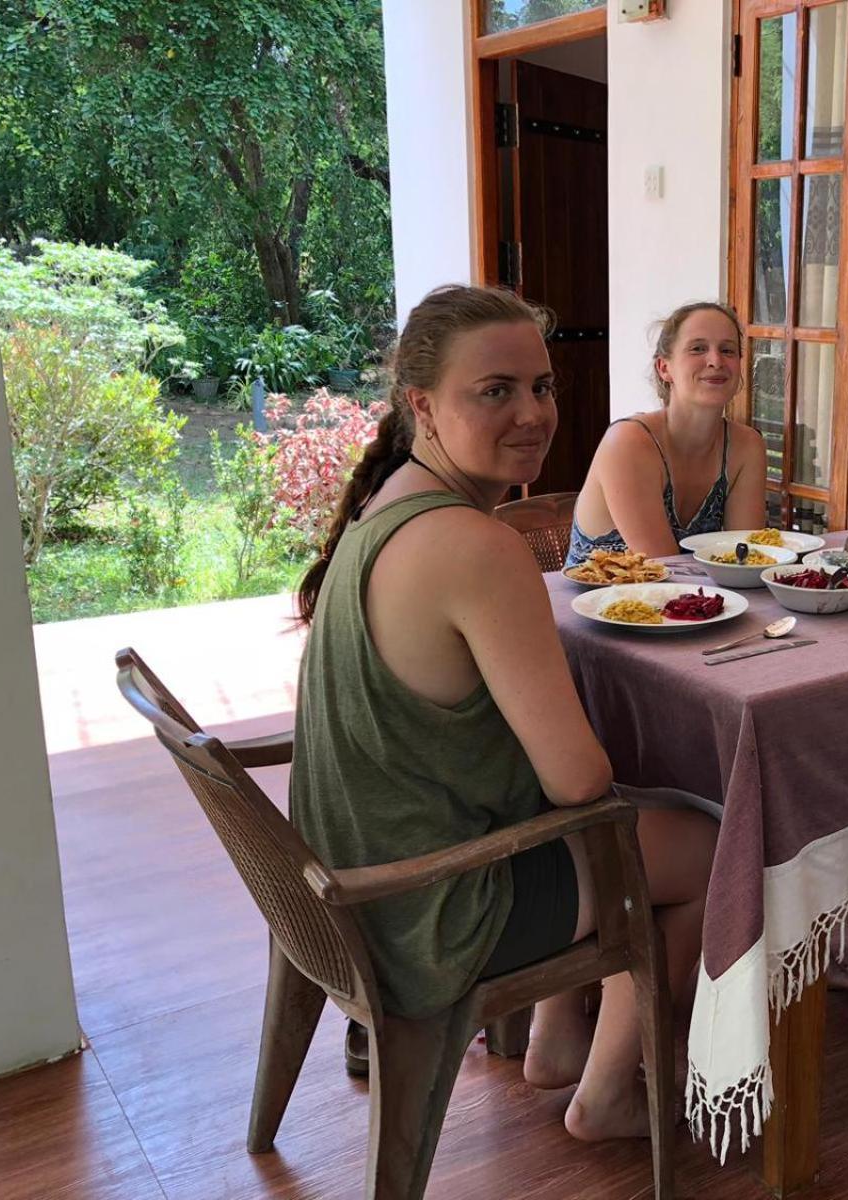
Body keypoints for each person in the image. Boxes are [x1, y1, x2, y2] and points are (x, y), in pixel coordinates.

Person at [290, 284, 718, 1140]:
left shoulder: (385, 508)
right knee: (716, 844)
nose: (531, 412)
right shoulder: (478, 548)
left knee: (622, 818)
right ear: (423, 405)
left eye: (542, 387)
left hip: (351, 886)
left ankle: (558, 1039)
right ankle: (611, 1092)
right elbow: (578, 779)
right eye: (495, 391)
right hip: (427, 916)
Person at [564, 301, 767, 567]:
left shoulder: (747, 446)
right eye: (698, 348)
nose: (716, 361)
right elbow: (665, 568)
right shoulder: (629, 442)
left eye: (727, 350)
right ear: (664, 368)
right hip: (598, 604)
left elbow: (745, 560)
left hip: (701, 602)